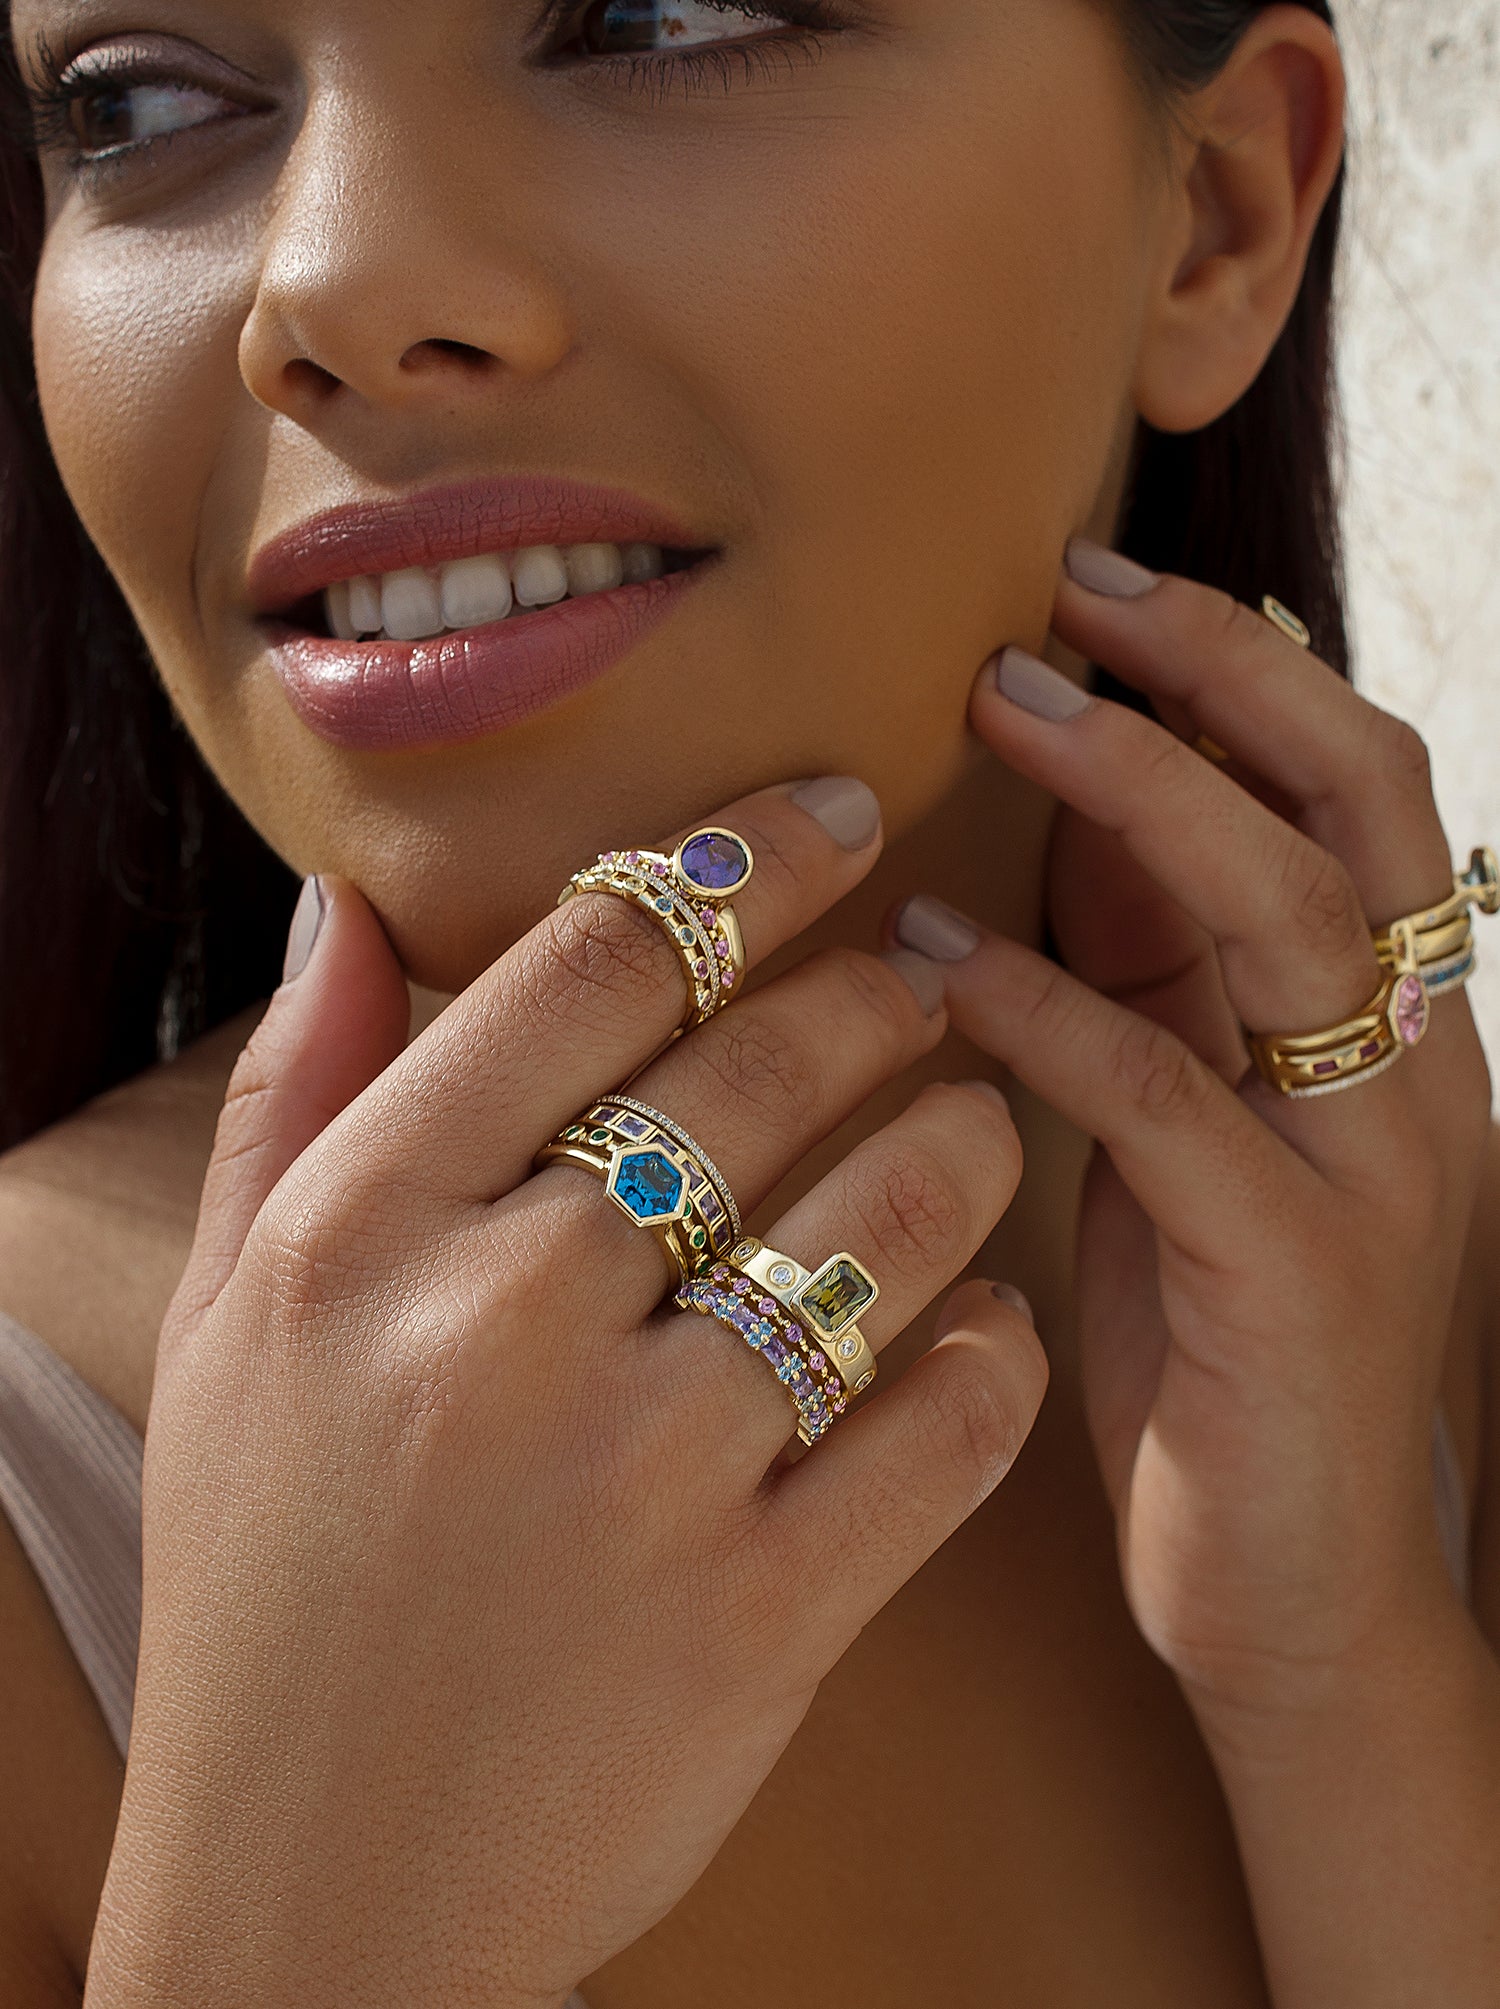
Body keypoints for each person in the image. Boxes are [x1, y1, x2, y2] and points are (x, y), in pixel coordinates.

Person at [0, 0, 1495, 2002]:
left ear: (1213, 218)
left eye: (655, 15)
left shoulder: (1427, 1379)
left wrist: (1350, 1684)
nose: (332, 284)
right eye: (141, 103)